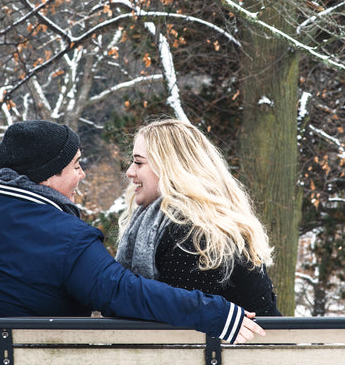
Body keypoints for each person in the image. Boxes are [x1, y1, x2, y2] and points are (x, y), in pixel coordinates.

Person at [0, 119, 265, 344]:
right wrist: (217, 313)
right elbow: (125, 293)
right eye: (75, 165)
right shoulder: (65, 237)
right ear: (48, 174)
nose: (82, 175)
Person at [116, 119, 281, 316]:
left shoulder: (193, 234)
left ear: (172, 167)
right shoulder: (179, 222)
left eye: (139, 162)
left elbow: (174, 322)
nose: (130, 172)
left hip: (232, 346)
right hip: (240, 346)